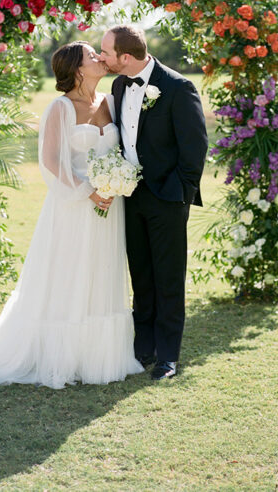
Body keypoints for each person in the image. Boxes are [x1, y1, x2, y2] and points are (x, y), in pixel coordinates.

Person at [0, 41, 143, 389]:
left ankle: (98, 356)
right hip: (74, 207)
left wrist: (115, 184)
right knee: (69, 275)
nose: (100, 58)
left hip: (110, 205)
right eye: (93, 56)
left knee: (101, 271)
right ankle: (63, 356)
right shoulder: (59, 108)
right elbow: (49, 161)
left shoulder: (111, 100)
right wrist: (87, 190)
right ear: (77, 69)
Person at [98, 25, 207, 380]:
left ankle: (168, 357)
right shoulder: (117, 85)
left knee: (168, 278)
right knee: (141, 275)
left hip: (168, 198)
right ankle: (143, 348)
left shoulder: (177, 87)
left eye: (107, 53)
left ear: (125, 57)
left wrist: (179, 194)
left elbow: (195, 149)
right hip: (130, 197)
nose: (103, 58)